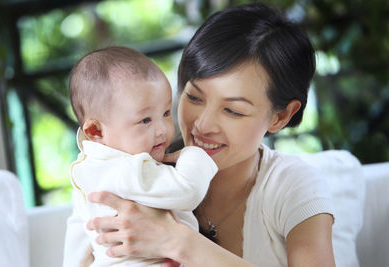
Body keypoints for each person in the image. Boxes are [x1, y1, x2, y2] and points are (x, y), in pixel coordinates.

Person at [75, 3, 337, 267]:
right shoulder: (117, 173)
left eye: (233, 111)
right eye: (194, 97)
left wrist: (179, 242)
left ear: (281, 116)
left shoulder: (292, 186)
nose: (203, 124)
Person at [63, 46, 218, 267]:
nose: (162, 129)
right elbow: (188, 190)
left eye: (165, 113)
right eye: (145, 120)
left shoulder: (88, 170)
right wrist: (195, 155)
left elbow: (78, 238)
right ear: (96, 131)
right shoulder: (126, 168)